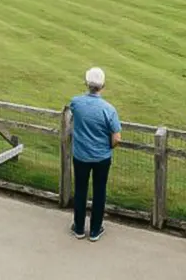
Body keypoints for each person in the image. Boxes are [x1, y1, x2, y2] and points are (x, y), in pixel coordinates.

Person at [69, 67, 121, 242]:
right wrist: (108, 147)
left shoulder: (76, 102)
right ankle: (95, 229)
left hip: (81, 155)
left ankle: (78, 227)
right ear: (103, 85)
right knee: (99, 191)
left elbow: (73, 116)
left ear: (86, 83)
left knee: (80, 189)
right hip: (101, 157)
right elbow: (116, 138)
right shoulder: (109, 110)